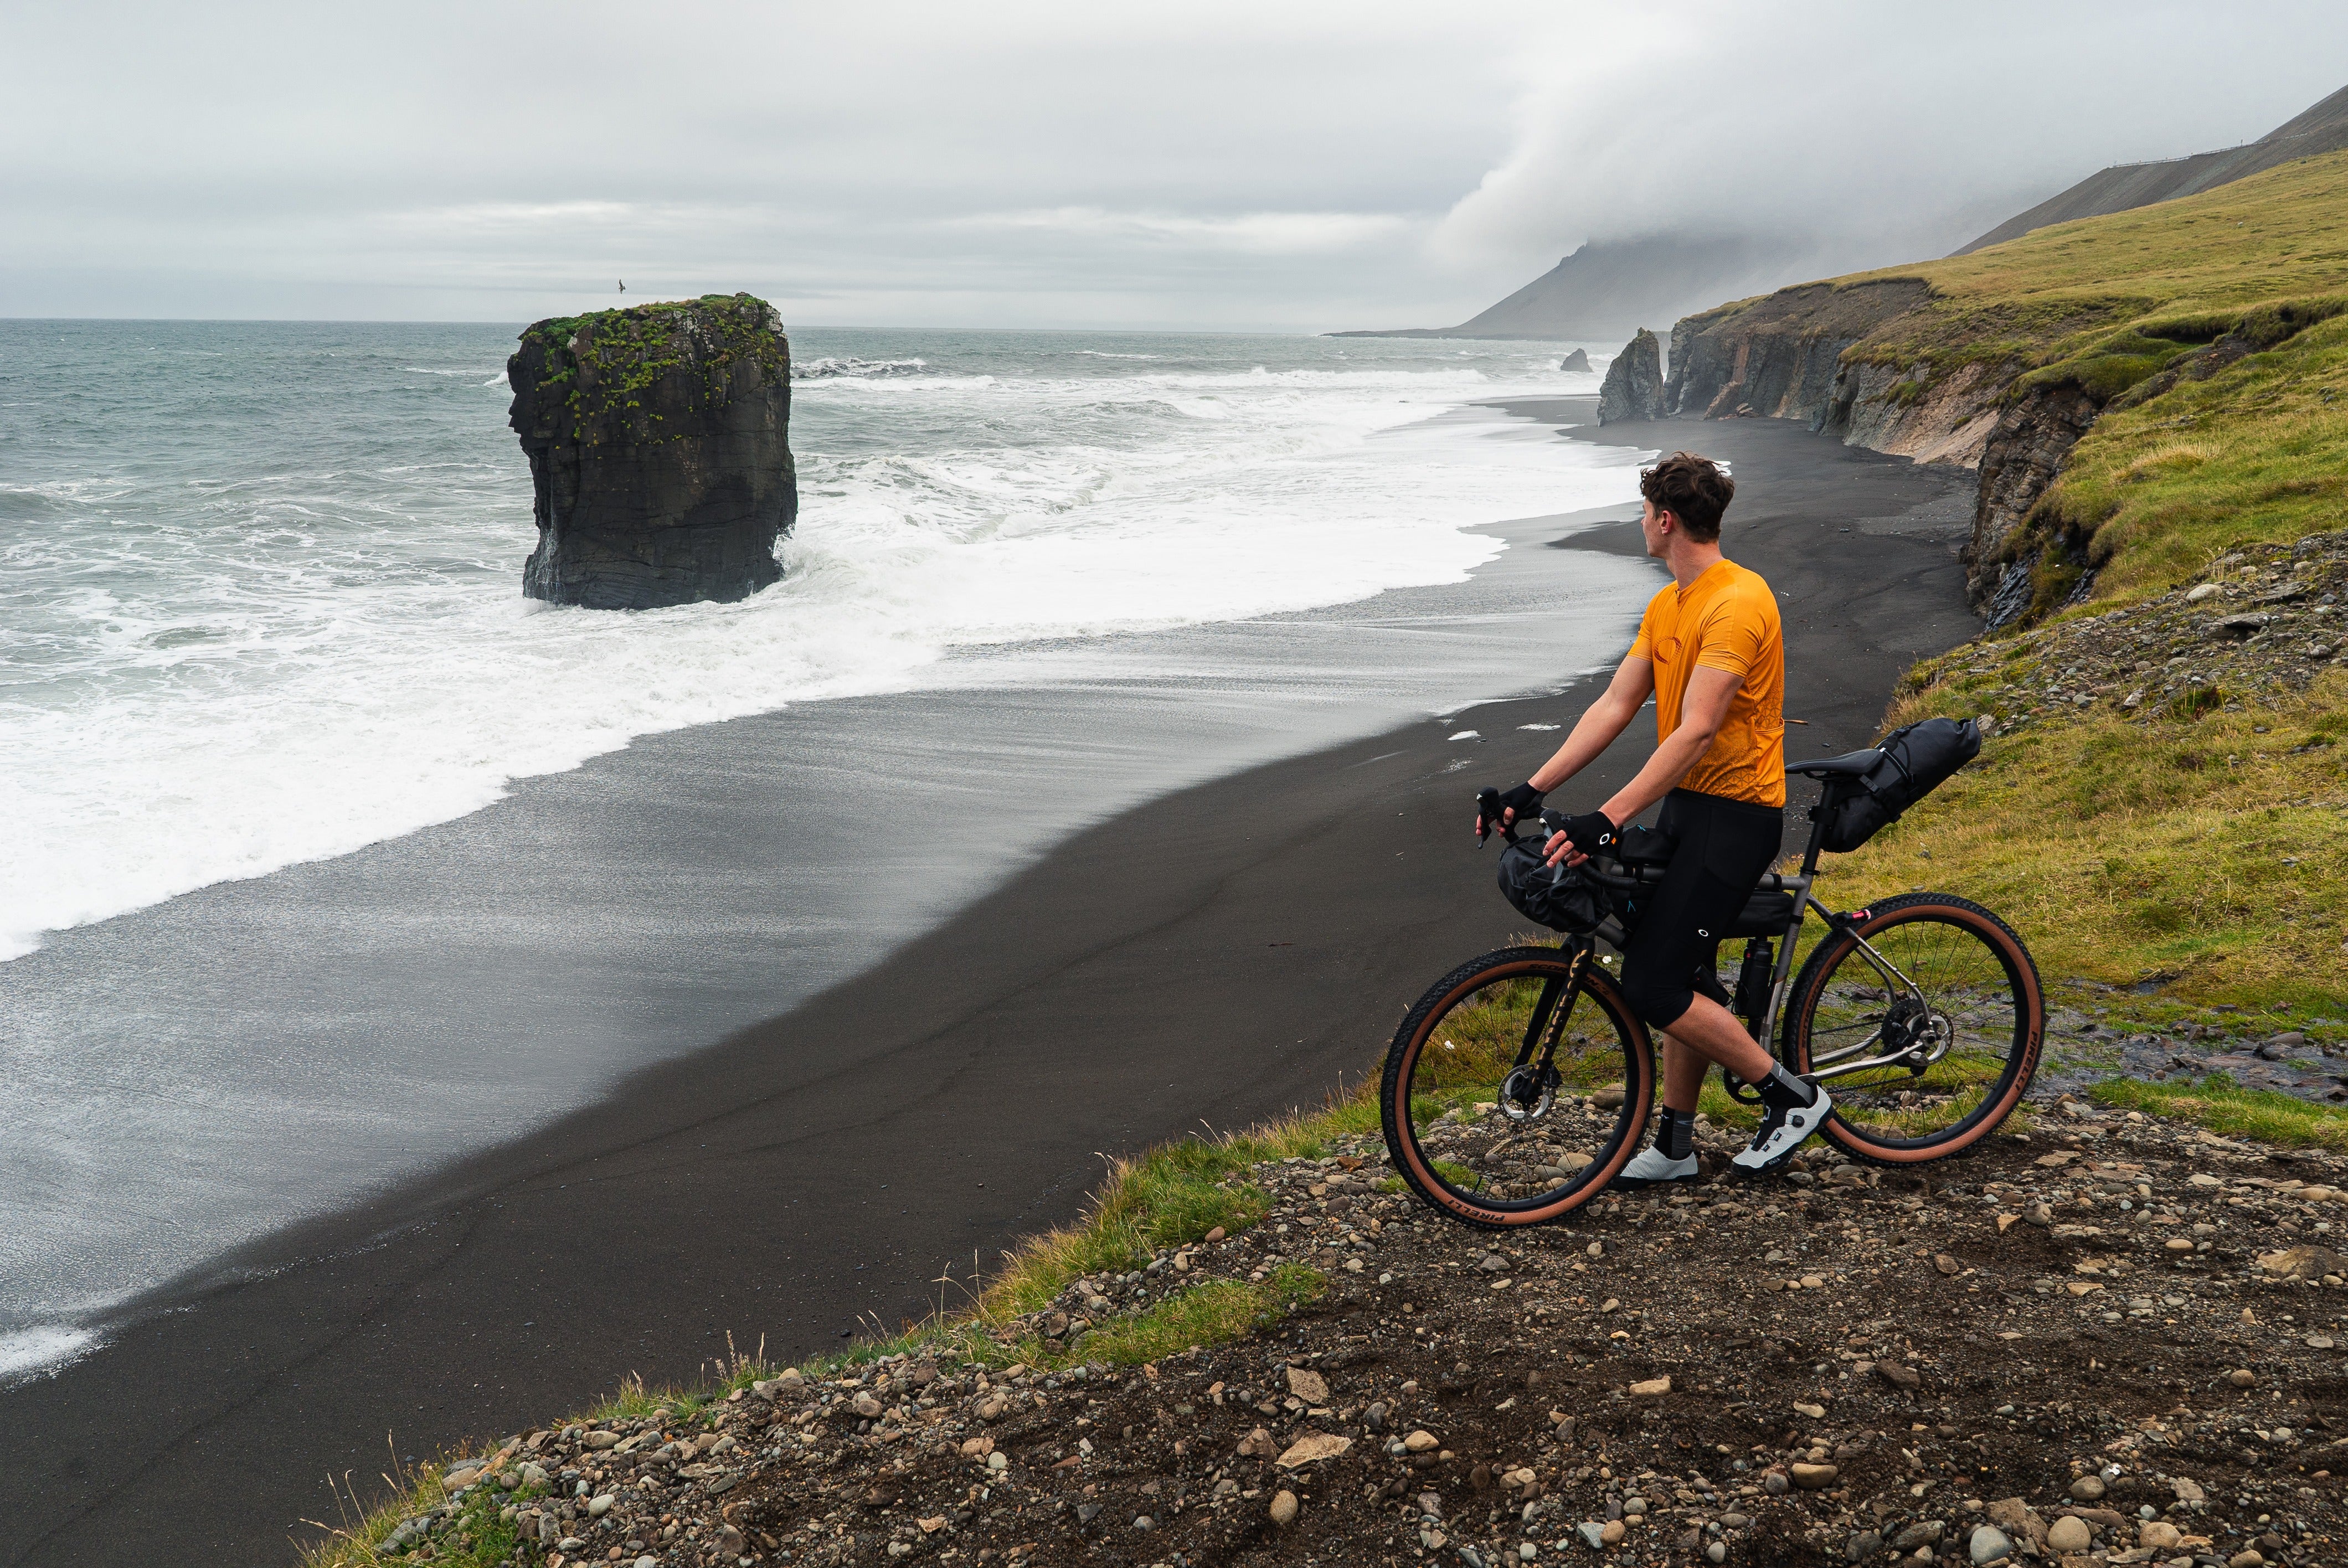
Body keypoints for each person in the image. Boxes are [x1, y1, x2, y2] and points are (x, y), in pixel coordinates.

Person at [1482, 451, 1827, 1178]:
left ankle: (1790, 1098)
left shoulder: (1738, 601)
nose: (1641, 524)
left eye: (1644, 513)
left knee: (1652, 984)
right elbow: (1614, 705)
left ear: (1665, 520)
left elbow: (1697, 728)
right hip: (1688, 808)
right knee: (1685, 972)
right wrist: (1530, 790)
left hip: (1737, 816)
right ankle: (1674, 1143)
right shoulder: (1668, 605)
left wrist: (1606, 817)